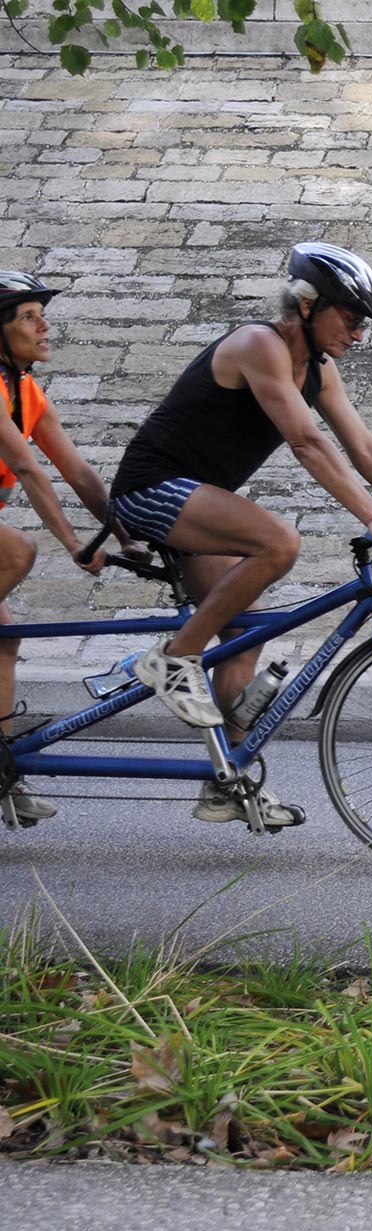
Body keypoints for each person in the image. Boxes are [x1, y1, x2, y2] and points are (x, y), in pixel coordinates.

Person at [107, 243, 372, 827]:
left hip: (202, 504)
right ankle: (173, 659)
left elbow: (366, 449)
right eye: (349, 319)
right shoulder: (258, 345)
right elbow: (305, 441)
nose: (358, 334)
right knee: (279, 543)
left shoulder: (319, 370)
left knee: (246, 636)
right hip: (153, 488)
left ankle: (228, 783)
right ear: (306, 305)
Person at [0, 271, 127, 827]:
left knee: (3, 643)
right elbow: (27, 467)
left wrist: (125, 532)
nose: (44, 325)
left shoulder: (24, 390)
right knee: (17, 552)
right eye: (28, 317)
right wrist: (74, 543)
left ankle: (2, 775)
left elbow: (76, 470)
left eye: (40, 314)